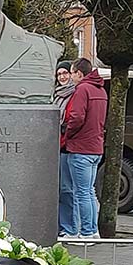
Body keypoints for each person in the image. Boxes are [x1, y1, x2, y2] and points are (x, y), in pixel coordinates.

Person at [62, 58, 107, 240]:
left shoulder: (82, 89)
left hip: (81, 147)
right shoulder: (101, 89)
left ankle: (86, 232)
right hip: (96, 147)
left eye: (72, 73)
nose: (71, 77)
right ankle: (92, 230)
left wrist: (68, 133)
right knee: (89, 191)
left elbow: (77, 117)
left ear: (79, 73)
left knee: (80, 192)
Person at [54, 61, 76, 237]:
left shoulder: (75, 94)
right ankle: (62, 225)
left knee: (68, 190)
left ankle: (70, 227)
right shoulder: (56, 95)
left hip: (67, 147)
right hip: (55, 147)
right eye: (59, 73)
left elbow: (73, 120)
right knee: (59, 189)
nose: (62, 76)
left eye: (65, 73)